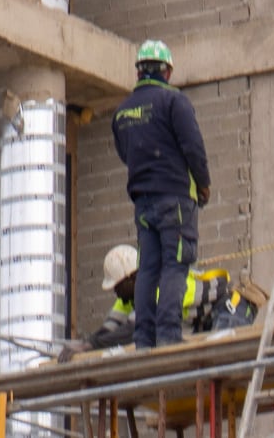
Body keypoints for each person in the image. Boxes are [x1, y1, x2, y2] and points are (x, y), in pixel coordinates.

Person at [109, 40, 208, 349]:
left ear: (139, 71)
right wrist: (203, 184)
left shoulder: (123, 112)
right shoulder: (173, 102)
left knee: (149, 268)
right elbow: (193, 147)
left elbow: (127, 154)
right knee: (176, 264)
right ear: (167, 71)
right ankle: (167, 336)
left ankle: (143, 339)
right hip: (175, 200)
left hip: (143, 201)